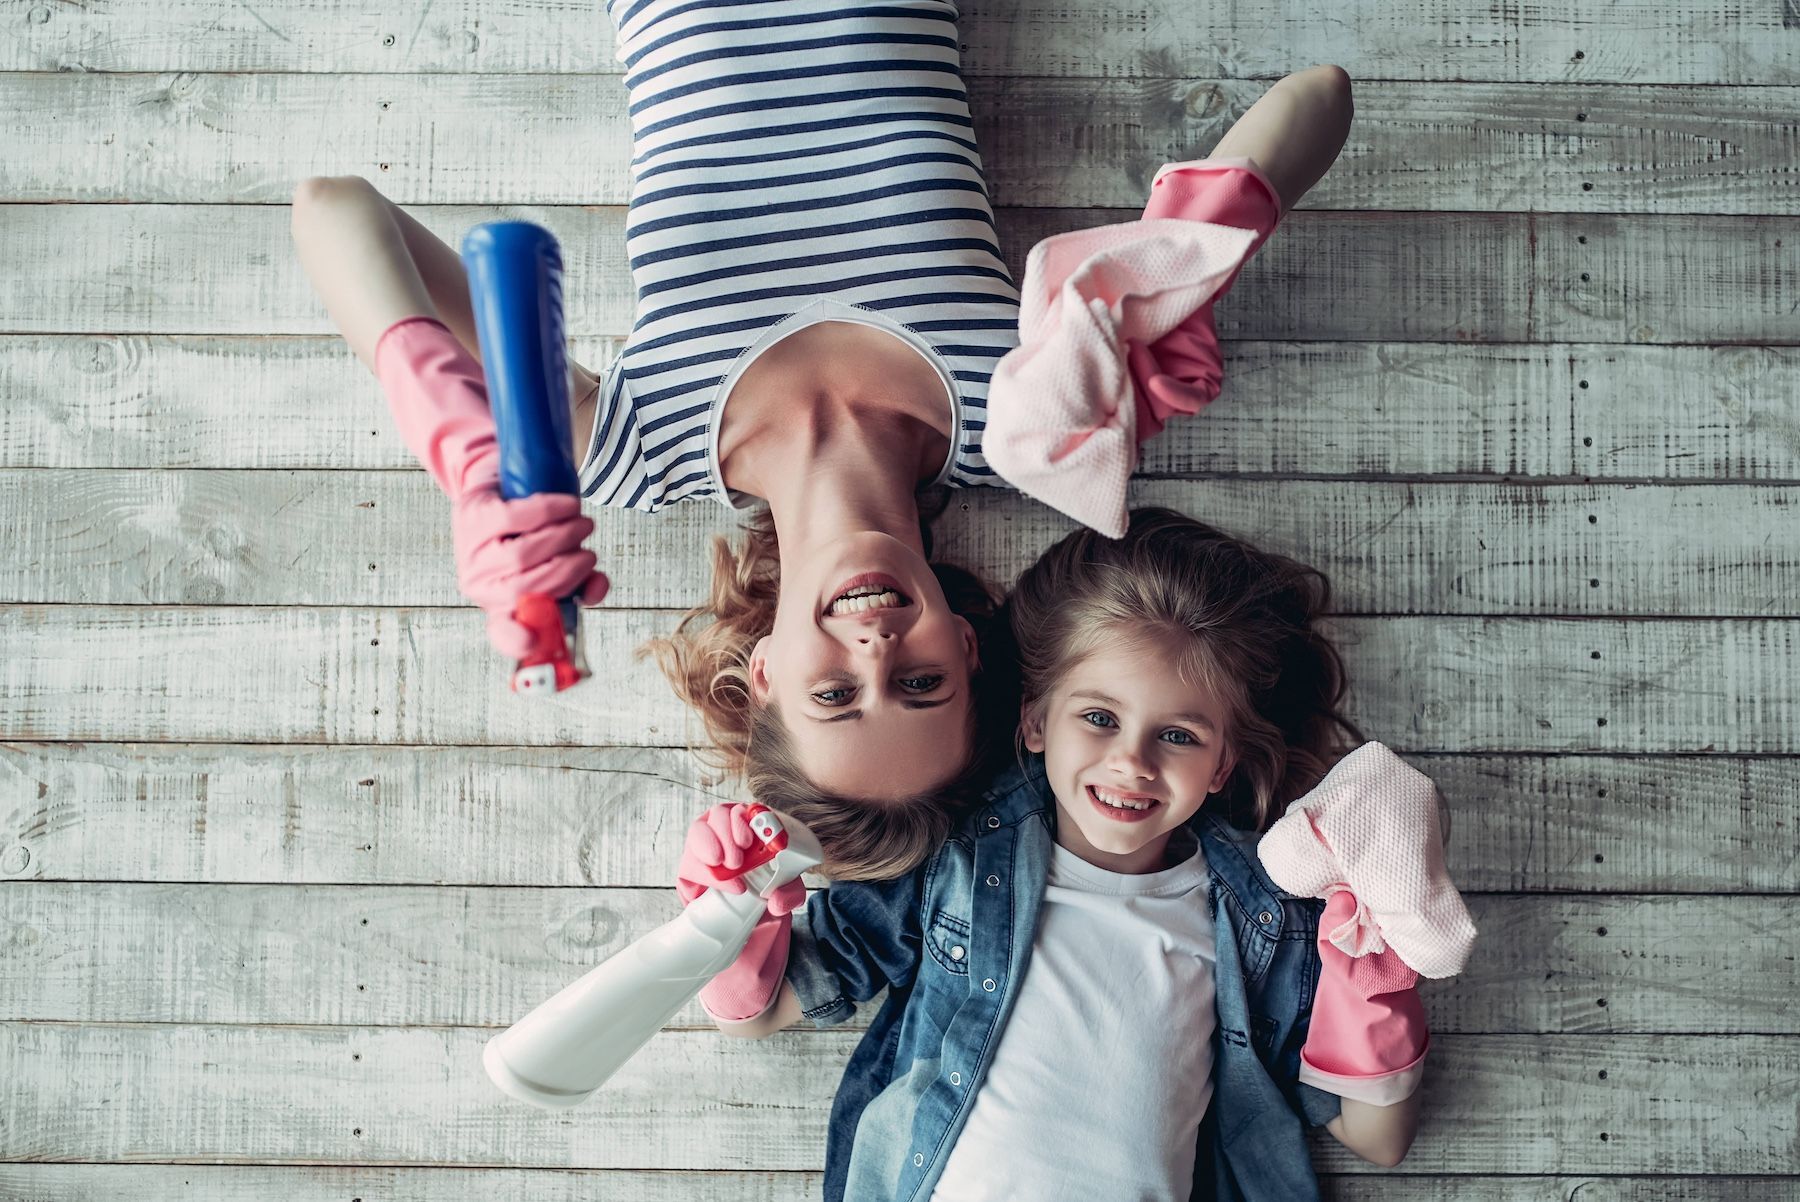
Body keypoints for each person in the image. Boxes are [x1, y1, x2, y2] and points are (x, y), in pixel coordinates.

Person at [290, 39, 1353, 876]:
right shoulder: (1029, 420)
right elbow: (1322, 97)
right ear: (971, 651)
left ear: (762, 677)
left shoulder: (631, 450)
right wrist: (1186, 257)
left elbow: (338, 207)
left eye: (837, 694)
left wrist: (464, 451)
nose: (877, 646)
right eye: (923, 682)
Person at [677, 509, 1477, 1201]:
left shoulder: (1266, 917)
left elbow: (1379, 1138)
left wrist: (1373, 978)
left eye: (1178, 736)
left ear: (1224, 764)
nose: (1133, 763)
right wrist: (731, 913)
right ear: (1034, 723)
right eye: (1098, 718)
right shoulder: (958, 858)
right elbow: (767, 1010)